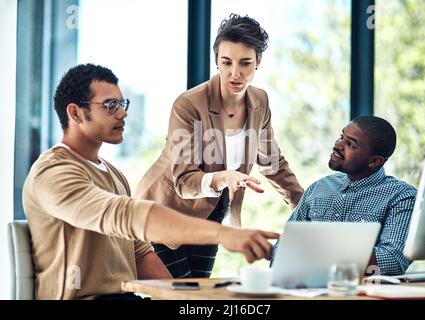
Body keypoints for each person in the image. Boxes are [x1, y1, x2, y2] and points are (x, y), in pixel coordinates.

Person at [22, 63, 279, 300]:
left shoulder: (114, 174)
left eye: (123, 104)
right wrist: (223, 235)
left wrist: (184, 301)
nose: (122, 113)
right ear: (75, 113)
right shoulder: (53, 172)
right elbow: (124, 214)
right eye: (111, 105)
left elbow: (141, 253)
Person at [135, 14, 304, 279]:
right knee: (177, 295)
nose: (235, 73)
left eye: (245, 63)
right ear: (216, 61)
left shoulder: (260, 101)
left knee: (200, 292)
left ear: (258, 62)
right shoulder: (188, 105)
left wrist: (306, 207)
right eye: (226, 62)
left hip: (211, 211)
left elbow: (273, 164)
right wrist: (224, 177)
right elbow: (184, 180)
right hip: (164, 210)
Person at [273, 116, 417, 276]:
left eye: (350, 144)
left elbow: (393, 260)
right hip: (303, 290)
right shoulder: (319, 188)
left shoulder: (401, 196)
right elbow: (284, 245)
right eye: (342, 137)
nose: (338, 145)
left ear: (374, 161)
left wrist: (320, 254)